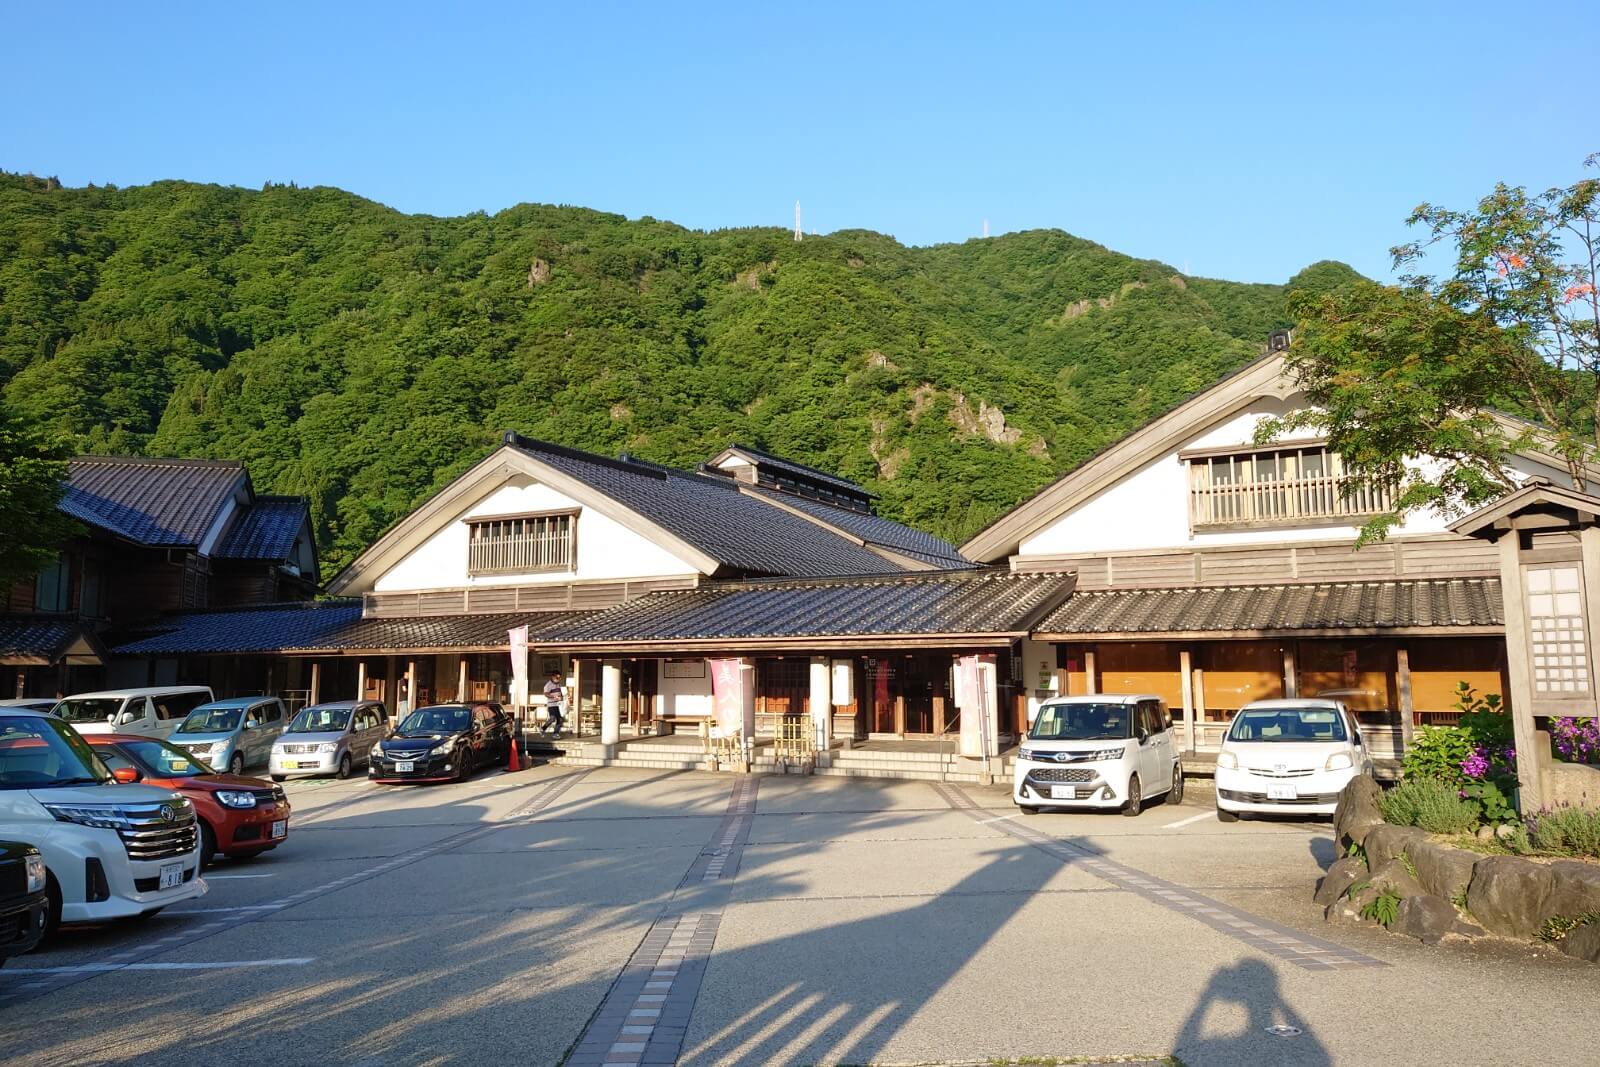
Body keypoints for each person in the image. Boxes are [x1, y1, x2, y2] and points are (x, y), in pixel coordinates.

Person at [541, 671, 566, 739]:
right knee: (552, 718)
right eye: (557, 677)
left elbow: (562, 692)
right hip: (552, 704)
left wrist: (565, 696)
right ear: (553, 677)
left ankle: (555, 733)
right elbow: (546, 694)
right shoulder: (548, 685)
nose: (559, 679)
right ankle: (543, 728)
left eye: (560, 677)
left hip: (559, 704)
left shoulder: (559, 684)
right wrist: (553, 697)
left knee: (560, 719)